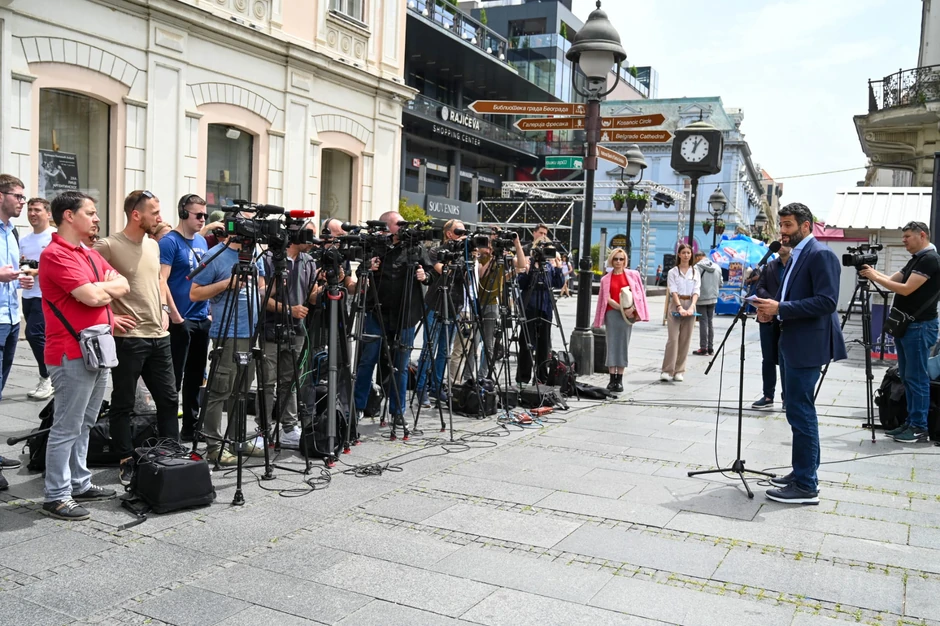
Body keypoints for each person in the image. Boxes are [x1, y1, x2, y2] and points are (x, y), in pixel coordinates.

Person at [38, 191, 129, 519]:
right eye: (90, 213)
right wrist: (101, 290)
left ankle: (78, 481)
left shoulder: (88, 253)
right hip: (70, 351)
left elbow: (124, 285)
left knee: (86, 421)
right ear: (68, 216)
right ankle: (56, 494)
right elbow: (91, 297)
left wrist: (101, 289)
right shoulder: (55, 254)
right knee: (67, 424)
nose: (96, 218)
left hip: (97, 347)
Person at [754, 202, 846, 505]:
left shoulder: (820, 255)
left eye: (789, 225)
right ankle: (801, 472)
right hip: (794, 341)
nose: (782, 231)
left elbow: (827, 301)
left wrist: (781, 308)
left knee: (801, 411)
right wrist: (772, 312)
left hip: (808, 345)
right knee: (796, 410)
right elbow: (793, 297)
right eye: (781, 225)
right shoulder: (797, 255)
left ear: (806, 226)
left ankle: (806, 484)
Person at [94, 190, 179, 485]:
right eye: (154, 212)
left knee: (169, 399)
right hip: (129, 338)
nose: (160, 217)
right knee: (123, 402)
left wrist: (166, 307)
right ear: (136, 214)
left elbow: (157, 279)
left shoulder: (153, 245)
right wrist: (110, 317)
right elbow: (87, 284)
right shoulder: (108, 245)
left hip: (159, 334)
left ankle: (171, 454)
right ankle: (125, 458)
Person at [191, 226, 266, 465]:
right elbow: (195, 293)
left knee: (242, 391)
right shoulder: (215, 255)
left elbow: (262, 284)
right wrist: (227, 284)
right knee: (220, 390)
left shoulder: (253, 254)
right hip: (228, 333)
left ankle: (238, 440)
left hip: (251, 333)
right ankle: (213, 446)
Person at [353, 211, 431, 437]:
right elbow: (360, 272)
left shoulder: (415, 249)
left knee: (401, 363)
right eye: (399, 224)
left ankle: (398, 412)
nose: (404, 227)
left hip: (405, 316)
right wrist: (368, 267)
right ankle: (358, 407)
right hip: (377, 313)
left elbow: (432, 275)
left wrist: (423, 276)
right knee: (368, 360)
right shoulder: (377, 246)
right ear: (387, 227)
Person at [860, 221, 940, 443]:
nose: (903, 240)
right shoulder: (917, 259)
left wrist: (875, 277)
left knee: (917, 378)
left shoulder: (930, 260)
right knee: (907, 376)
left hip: (920, 326)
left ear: (921, 235)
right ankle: (911, 422)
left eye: (907, 236)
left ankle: (918, 428)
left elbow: (906, 289)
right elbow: (891, 281)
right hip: (908, 326)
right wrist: (872, 272)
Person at [260, 220, 321, 450]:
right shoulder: (269, 259)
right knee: (267, 382)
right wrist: (289, 310)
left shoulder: (309, 261)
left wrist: (326, 287)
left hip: (296, 331)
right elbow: (261, 295)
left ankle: (288, 427)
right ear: (296, 235)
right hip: (270, 328)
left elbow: (312, 296)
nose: (314, 241)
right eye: (310, 235)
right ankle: (263, 429)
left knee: (290, 381)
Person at [160, 194, 211, 442]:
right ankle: (169, 434)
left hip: (201, 318)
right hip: (180, 319)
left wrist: (208, 310)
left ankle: (191, 428)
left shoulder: (202, 241)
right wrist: (174, 315)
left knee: (196, 376)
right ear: (183, 213)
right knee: (175, 378)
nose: (202, 219)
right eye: (197, 214)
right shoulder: (169, 242)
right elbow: (162, 280)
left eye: (205, 215)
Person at [593, 249, 649, 392]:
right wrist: (621, 309)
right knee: (611, 344)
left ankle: (620, 380)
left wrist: (632, 309)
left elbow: (639, 295)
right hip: (612, 314)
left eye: (621, 259)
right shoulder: (606, 279)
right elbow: (607, 298)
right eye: (616, 259)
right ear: (612, 260)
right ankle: (612, 379)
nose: (618, 262)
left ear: (625, 261)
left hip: (628, 315)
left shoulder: (633, 275)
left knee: (623, 345)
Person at [20, 197, 56, 400]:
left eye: (37, 210)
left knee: (34, 334)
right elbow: (22, 266)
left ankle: (47, 377)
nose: (32, 214)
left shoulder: (53, 237)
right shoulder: (24, 240)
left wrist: (38, 271)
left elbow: (57, 266)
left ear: (48, 214)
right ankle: (51, 375)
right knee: (42, 337)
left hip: (46, 296)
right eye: (30, 210)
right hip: (28, 295)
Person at [516, 240, 563, 385]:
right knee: (526, 343)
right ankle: (523, 377)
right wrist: (527, 271)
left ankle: (541, 377)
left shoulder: (549, 266)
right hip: (529, 307)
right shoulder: (529, 264)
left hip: (545, 308)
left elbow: (559, 283)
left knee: (543, 344)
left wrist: (559, 268)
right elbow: (521, 283)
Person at [751, 243, 791, 410]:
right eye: (779, 243)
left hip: (787, 317)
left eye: (785, 243)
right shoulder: (770, 265)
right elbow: (759, 287)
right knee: (767, 358)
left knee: (784, 359)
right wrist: (771, 302)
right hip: (768, 316)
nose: (781, 245)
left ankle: (787, 398)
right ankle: (768, 395)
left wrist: (779, 305)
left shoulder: (795, 264)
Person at [0, 174, 24, 401]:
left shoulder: (12, 231)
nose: (22, 201)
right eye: (17, 196)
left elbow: (10, 275)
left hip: (12, 319)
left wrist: (20, 280)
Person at [661, 244, 699, 382]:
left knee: (685, 339)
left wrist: (691, 307)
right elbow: (673, 290)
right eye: (683, 252)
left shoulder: (695, 272)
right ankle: (667, 369)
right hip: (676, 304)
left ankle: (679, 370)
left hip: (690, 304)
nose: (686, 255)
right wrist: (679, 307)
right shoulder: (673, 272)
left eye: (688, 253)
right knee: (673, 339)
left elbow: (696, 291)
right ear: (679, 254)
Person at [692, 251, 722, 356]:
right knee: (710, 322)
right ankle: (710, 348)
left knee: (703, 322)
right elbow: (721, 283)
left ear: (697, 258)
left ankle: (703, 347)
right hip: (713, 298)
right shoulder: (717, 267)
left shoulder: (696, 267)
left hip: (701, 298)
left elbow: (693, 283)